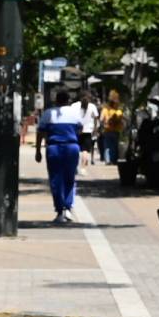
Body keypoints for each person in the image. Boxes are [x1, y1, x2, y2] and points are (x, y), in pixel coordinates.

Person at [35, 89, 85, 223]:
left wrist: (38, 151)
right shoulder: (75, 113)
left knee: (56, 180)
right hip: (71, 147)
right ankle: (68, 208)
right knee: (70, 178)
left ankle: (59, 211)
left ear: (56, 100)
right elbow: (80, 129)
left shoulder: (48, 113)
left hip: (54, 148)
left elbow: (40, 132)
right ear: (68, 101)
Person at [99, 89, 126, 164]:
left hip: (107, 130)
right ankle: (113, 160)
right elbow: (122, 120)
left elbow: (101, 119)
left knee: (107, 146)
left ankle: (107, 160)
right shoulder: (118, 111)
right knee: (114, 146)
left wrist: (103, 125)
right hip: (116, 131)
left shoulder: (105, 109)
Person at [80, 91, 101, 167]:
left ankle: (85, 160)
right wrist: (95, 129)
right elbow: (96, 118)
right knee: (89, 147)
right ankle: (88, 160)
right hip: (90, 130)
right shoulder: (92, 106)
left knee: (82, 148)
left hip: (80, 130)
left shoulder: (76, 106)